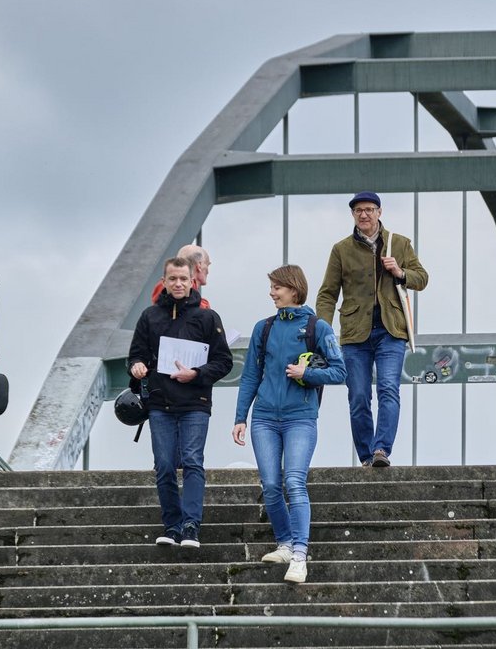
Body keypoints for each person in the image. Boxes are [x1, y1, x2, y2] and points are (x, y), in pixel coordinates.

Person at [233, 265, 347, 584]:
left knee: (294, 481)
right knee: (270, 485)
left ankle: (299, 553)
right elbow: (251, 376)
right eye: (271, 287)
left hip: (301, 418)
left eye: (276, 288)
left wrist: (306, 374)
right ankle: (284, 543)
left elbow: (340, 371)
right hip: (265, 419)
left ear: (293, 290)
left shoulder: (317, 328)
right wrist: (241, 417)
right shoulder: (263, 328)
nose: (271, 293)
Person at [316, 191, 428, 468]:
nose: (364, 215)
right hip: (355, 334)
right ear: (352, 215)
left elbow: (422, 278)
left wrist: (401, 272)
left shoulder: (399, 244)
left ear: (379, 212)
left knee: (389, 388)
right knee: (358, 395)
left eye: (369, 209)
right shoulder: (341, 249)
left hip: (391, 330)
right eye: (358, 211)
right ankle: (367, 456)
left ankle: (381, 451)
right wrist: (322, 329)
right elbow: (327, 294)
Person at [128, 256, 233, 548]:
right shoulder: (149, 316)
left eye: (183, 279)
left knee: (192, 461)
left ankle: (190, 526)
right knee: (163, 465)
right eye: (172, 279)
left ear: (192, 281)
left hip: (195, 403)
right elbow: (135, 355)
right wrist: (136, 367)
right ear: (164, 280)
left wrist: (196, 374)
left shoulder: (208, 318)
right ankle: (172, 526)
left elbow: (224, 361)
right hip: (160, 404)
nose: (178, 284)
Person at [150, 243, 212, 308]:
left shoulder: (164, 287)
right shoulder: (166, 288)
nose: (208, 271)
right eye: (207, 265)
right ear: (199, 265)